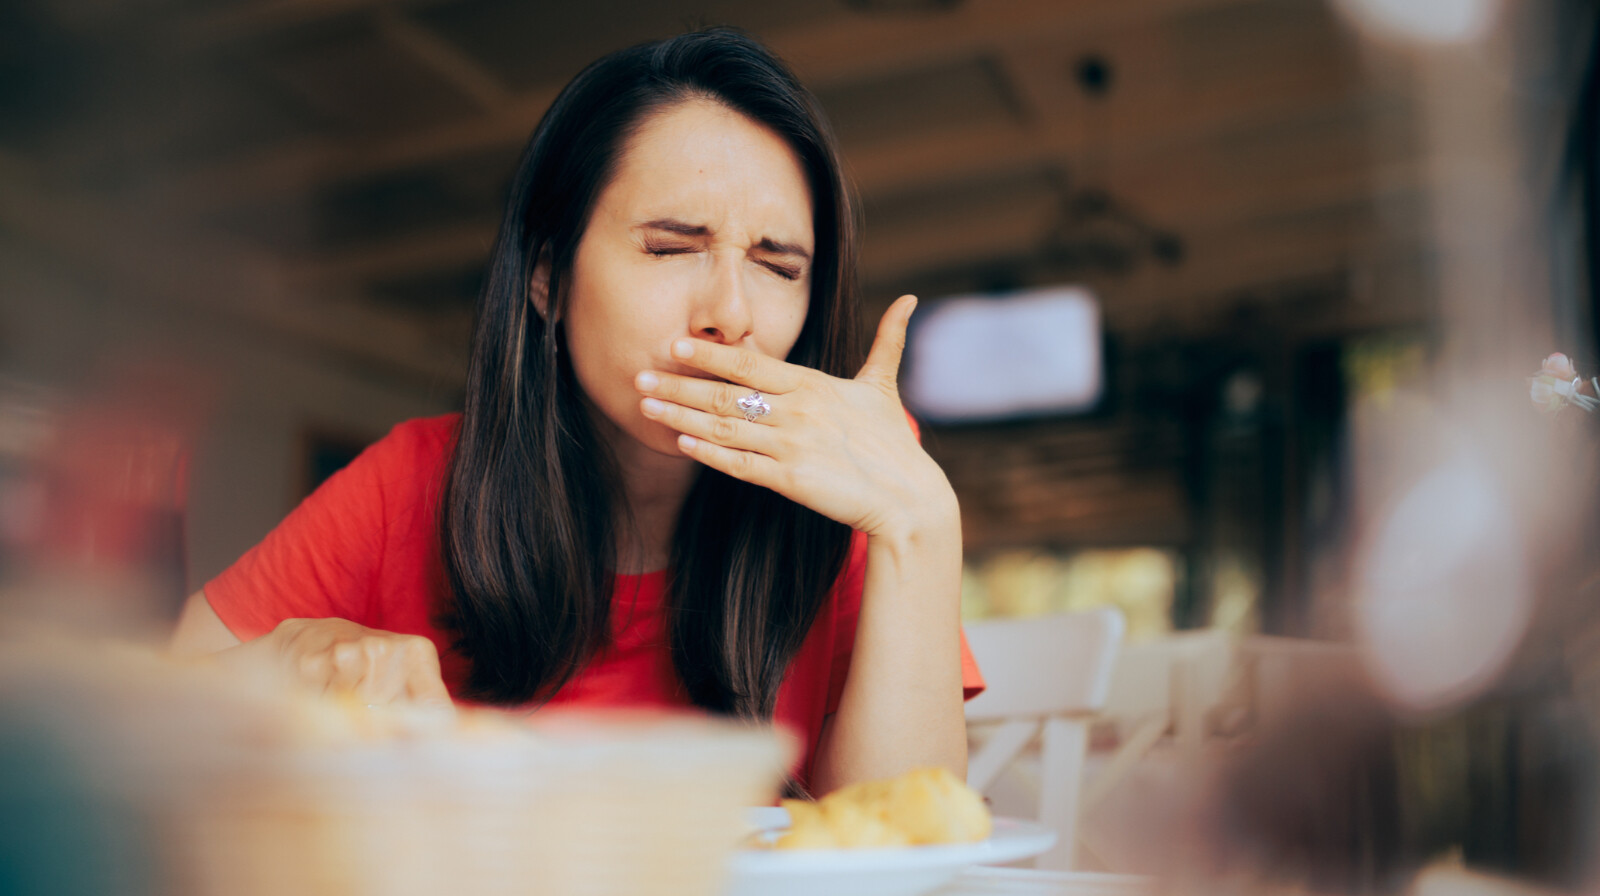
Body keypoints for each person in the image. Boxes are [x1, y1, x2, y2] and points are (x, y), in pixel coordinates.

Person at [169, 27, 981, 795]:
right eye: (670, 247)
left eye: (778, 266)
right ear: (548, 278)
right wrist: (296, 661)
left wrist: (918, 523)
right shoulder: (415, 481)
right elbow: (157, 710)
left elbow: (902, 841)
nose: (730, 314)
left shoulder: (863, 481)